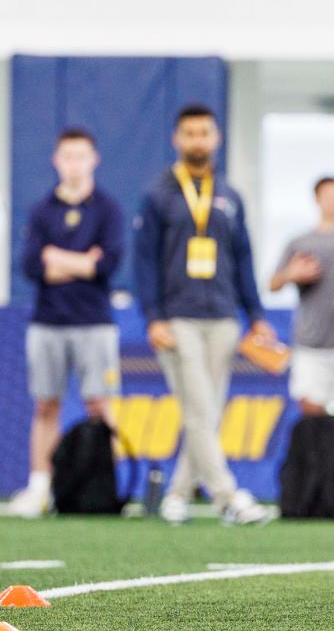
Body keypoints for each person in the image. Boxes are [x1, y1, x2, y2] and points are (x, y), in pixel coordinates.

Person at [134, 104, 273, 526]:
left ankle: (176, 495)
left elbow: (243, 257)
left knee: (206, 413)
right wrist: (153, 317)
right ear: (178, 139)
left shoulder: (229, 195)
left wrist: (256, 314)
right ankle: (226, 498)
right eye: (189, 133)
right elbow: (144, 262)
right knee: (198, 409)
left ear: (216, 138)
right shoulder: (158, 194)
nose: (197, 140)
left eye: (204, 133)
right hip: (178, 318)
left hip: (224, 317)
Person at [12, 128, 124, 518]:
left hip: (94, 322)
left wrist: (57, 260)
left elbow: (106, 264)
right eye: (67, 156)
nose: (74, 164)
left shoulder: (107, 209)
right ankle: (40, 487)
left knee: (100, 403)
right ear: (56, 161)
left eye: (81, 156)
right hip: (48, 322)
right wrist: (82, 262)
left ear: (94, 159)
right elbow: (29, 265)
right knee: (46, 404)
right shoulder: (42, 210)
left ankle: (105, 485)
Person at [270, 177, 334, 423]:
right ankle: (315, 463)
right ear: (317, 200)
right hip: (310, 344)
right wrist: (292, 274)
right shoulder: (300, 242)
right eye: (328, 196)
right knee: (311, 414)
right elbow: (272, 284)